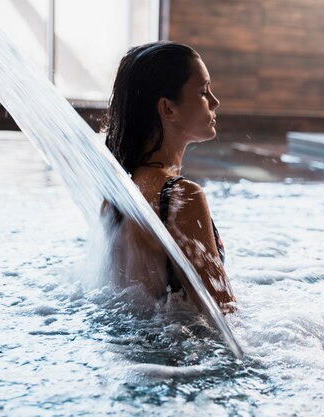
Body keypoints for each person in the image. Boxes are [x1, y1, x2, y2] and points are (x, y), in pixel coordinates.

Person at [101, 41, 236, 314]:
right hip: (177, 353)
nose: (215, 102)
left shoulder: (116, 193)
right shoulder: (180, 196)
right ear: (168, 109)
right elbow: (224, 314)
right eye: (202, 91)